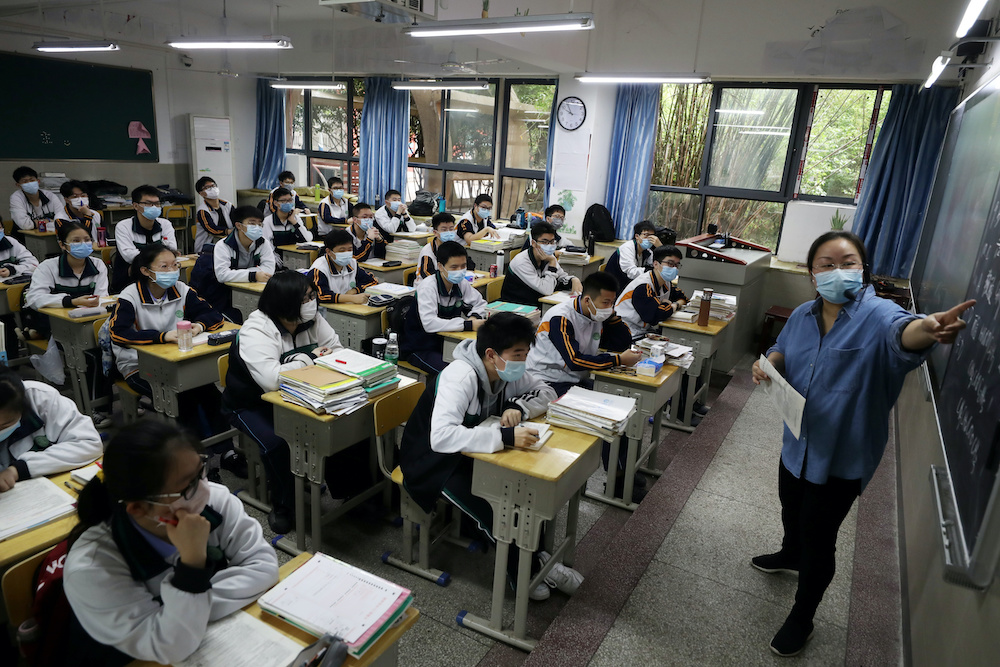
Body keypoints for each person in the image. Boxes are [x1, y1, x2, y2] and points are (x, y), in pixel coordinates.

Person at [750, 230, 975, 657]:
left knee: (820, 537)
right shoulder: (802, 314)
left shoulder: (879, 315)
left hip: (842, 458)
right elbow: (781, 347)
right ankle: (789, 552)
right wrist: (770, 365)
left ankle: (803, 614)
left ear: (863, 268)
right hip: (796, 443)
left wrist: (927, 329)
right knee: (790, 507)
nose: (837, 272)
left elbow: (903, 336)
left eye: (848, 262)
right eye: (826, 264)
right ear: (812, 273)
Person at [398, 312, 582, 601]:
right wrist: (505, 436)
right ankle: (526, 574)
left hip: (473, 454)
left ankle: (537, 555)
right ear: (491, 354)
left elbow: (546, 391)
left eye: (526, 353)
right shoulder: (461, 377)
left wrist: (520, 408)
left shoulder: (506, 371)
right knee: (496, 506)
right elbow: (441, 437)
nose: (523, 361)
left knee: (524, 490)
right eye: (518, 354)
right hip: (433, 463)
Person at [63, 420, 279, 665]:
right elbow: (171, 645)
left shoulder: (214, 502)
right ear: (138, 507)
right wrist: (193, 565)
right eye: (188, 486)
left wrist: (185, 609)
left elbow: (264, 566)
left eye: (202, 471)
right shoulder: (91, 568)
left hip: (203, 643)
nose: (205, 490)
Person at [223, 271, 375, 533]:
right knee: (278, 443)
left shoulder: (312, 319)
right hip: (252, 404)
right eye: (305, 298)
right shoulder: (257, 329)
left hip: (303, 396)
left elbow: (337, 351)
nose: (312, 302)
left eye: (312, 295)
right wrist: (309, 359)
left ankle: (353, 492)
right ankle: (283, 505)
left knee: (345, 423)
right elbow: (272, 381)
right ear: (284, 302)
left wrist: (306, 362)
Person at [108, 244, 245, 479]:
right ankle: (199, 461)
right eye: (164, 266)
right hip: (138, 365)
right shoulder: (130, 296)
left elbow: (212, 314)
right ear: (145, 271)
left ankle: (226, 453)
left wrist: (199, 325)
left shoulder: (180, 288)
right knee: (184, 398)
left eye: (174, 265)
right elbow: (118, 334)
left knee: (212, 395)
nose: (172, 270)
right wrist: (161, 337)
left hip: (180, 363)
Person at [525, 271, 646, 499]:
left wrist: (612, 317)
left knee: (622, 405)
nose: (609, 307)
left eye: (612, 302)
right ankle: (618, 483)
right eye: (606, 303)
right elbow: (574, 360)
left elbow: (623, 343)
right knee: (610, 413)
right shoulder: (560, 317)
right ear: (588, 300)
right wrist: (618, 360)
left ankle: (623, 472)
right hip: (547, 383)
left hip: (575, 380)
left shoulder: (596, 314)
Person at [25, 221, 112, 427]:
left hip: (88, 320)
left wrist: (92, 304)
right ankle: (97, 408)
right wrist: (70, 301)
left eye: (86, 240)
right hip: (56, 322)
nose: (83, 244)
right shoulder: (49, 267)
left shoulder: (98, 264)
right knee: (92, 355)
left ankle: (120, 400)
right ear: (62, 245)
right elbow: (36, 298)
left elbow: (103, 296)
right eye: (76, 241)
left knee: (110, 348)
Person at [0, 367, 103, 492]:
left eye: (5, 425)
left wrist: (20, 469)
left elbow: (89, 443)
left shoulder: (40, 398)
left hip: (51, 489)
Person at [400, 240, 487, 377]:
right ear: (440, 266)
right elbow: (430, 324)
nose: (459, 271)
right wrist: (468, 324)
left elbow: (480, 303)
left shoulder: (460, 283)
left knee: (479, 367)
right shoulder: (428, 287)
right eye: (454, 267)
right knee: (454, 374)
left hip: (446, 343)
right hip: (420, 347)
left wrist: (474, 317)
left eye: (463, 266)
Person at [189, 206, 275, 323]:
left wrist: (238, 274)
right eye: (252, 223)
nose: (257, 227)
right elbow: (222, 275)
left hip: (247, 289)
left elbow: (269, 270)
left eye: (260, 224)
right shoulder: (223, 245)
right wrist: (253, 275)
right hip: (220, 293)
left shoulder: (263, 243)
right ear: (239, 225)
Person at [111, 185, 178, 293]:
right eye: (148, 203)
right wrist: (159, 256)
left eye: (157, 203)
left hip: (160, 276)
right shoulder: (123, 226)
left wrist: (143, 258)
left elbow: (172, 249)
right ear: (136, 206)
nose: (154, 207)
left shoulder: (165, 224)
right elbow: (129, 256)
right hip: (129, 280)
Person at [500, 221, 582, 308]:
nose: (549, 245)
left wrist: (573, 279)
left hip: (534, 305)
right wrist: (552, 263)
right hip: (516, 307)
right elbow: (547, 290)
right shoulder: (521, 262)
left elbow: (561, 276)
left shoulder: (548, 257)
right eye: (544, 242)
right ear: (533, 243)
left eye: (552, 242)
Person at [614, 245, 688, 336]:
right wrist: (669, 306)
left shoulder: (665, 282)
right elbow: (655, 316)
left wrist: (674, 305)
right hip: (626, 331)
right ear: (656, 264)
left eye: (677, 265)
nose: (674, 268)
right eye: (670, 263)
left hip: (643, 330)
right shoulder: (643, 285)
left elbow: (683, 298)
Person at [308, 229, 378, 305]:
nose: (347, 253)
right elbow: (321, 295)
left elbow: (372, 281)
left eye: (350, 249)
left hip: (348, 307)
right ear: (328, 252)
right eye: (342, 251)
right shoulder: (319, 269)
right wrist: (352, 298)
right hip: (327, 311)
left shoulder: (352, 263)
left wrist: (354, 291)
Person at [604, 221, 661, 294]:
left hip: (628, 285)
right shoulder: (627, 248)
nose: (649, 239)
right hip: (613, 286)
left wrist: (660, 247)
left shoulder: (648, 251)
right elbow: (631, 273)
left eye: (652, 236)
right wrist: (651, 272)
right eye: (646, 235)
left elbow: (655, 265)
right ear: (637, 236)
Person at [9, 166, 61, 232]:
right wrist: (49, 220)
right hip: (24, 238)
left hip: (50, 236)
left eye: (32, 180)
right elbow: (25, 225)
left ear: (38, 182)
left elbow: (62, 220)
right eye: (25, 182)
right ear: (18, 185)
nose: (29, 183)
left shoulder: (50, 196)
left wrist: (36, 223)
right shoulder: (16, 198)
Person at [415, 212, 460, 283]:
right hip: (428, 287)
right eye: (444, 230)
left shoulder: (455, 247)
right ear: (435, 232)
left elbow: (468, 264)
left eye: (451, 229)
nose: (448, 232)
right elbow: (427, 275)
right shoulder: (427, 252)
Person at [193, 176, 234, 253]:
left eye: (213, 186)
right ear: (201, 193)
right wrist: (227, 231)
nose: (212, 189)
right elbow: (212, 229)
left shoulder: (227, 205)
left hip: (227, 242)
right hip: (207, 246)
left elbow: (237, 219)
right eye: (207, 187)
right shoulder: (202, 211)